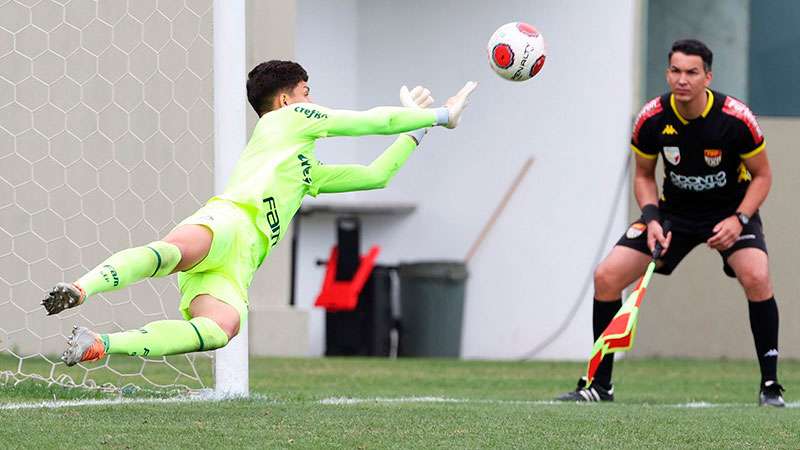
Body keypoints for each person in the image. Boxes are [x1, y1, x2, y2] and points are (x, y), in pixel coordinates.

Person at [43, 60, 477, 366]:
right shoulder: (283, 121)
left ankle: (98, 343)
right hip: (229, 221)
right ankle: (81, 289)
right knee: (174, 251)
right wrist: (437, 115)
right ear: (288, 99)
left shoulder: (307, 168)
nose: (314, 100)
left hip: (238, 267)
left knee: (221, 330)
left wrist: (418, 128)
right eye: (308, 91)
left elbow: (375, 174)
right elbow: (367, 121)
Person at [556, 39, 784, 406]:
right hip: (672, 217)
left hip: (729, 214)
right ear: (667, 73)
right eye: (675, 71)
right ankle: (600, 385)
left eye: (692, 72)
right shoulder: (652, 118)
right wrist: (652, 219)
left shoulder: (735, 118)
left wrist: (739, 219)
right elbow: (644, 176)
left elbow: (763, 176)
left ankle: (770, 387)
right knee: (606, 276)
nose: (682, 80)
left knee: (757, 276)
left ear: (707, 77)